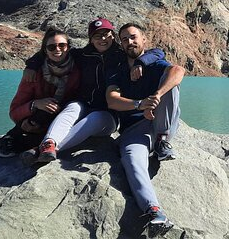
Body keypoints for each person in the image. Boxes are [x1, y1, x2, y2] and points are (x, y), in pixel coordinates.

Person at [20, 17, 165, 164]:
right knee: (72, 107)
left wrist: (141, 62)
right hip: (84, 104)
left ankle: (41, 151)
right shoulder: (83, 55)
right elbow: (55, 53)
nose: (103, 39)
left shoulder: (122, 54)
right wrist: (32, 65)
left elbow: (157, 52)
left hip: (109, 114)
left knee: (94, 118)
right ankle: (49, 143)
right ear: (91, 39)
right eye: (97, 36)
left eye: (106, 34)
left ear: (112, 36)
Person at [106, 22, 184, 238]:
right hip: (135, 129)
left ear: (143, 39)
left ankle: (162, 141)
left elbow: (178, 71)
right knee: (132, 159)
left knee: (171, 82)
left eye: (133, 37)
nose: (129, 42)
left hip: (159, 123)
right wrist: (140, 104)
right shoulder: (118, 71)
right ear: (120, 44)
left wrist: (156, 96)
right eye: (124, 39)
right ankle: (154, 211)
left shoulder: (155, 62)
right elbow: (112, 100)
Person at [0, 27, 80, 158]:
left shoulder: (79, 67)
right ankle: (17, 139)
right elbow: (15, 111)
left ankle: (10, 142)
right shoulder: (34, 74)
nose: (57, 49)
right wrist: (34, 105)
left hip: (64, 117)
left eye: (62, 45)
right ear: (45, 51)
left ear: (68, 47)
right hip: (35, 119)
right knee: (42, 113)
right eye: (51, 47)